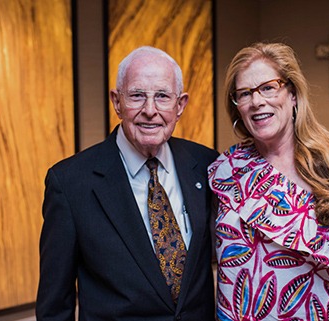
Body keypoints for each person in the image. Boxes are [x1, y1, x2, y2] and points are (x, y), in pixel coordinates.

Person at [36, 46, 218, 320]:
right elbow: (54, 306)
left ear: (180, 105)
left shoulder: (207, 165)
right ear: (116, 101)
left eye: (162, 96)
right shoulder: (71, 183)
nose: (150, 110)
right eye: (136, 96)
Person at [208, 42, 329, 321]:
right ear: (237, 107)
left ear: (293, 94)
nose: (257, 101)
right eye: (245, 94)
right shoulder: (224, 172)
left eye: (268, 87)